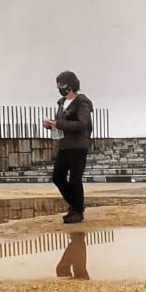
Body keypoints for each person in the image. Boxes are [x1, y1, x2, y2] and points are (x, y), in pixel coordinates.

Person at [42, 70, 93, 224]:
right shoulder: (61, 103)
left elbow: (82, 124)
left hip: (78, 146)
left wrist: (59, 123)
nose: (59, 87)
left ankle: (76, 210)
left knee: (75, 179)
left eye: (62, 85)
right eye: (58, 85)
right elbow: (61, 124)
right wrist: (51, 125)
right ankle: (77, 205)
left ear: (70, 86)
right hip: (64, 146)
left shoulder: (81, 102)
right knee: (58, 177)